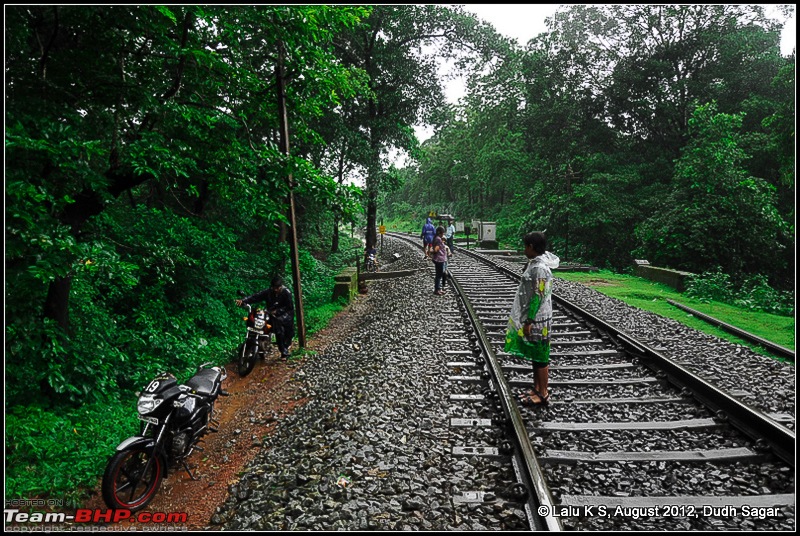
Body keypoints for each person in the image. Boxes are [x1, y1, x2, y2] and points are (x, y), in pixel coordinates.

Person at [504, 232, 560, 405]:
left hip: (538, 320)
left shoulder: (540, 269)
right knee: (536, 355)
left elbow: (538, 296)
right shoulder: (535, 264)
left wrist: (529, 321)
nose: (524, 249)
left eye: (525, 246)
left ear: (531, 247)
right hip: (536, 318)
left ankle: (543, 393)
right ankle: (536, 388)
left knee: (541, 357)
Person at [236, 276, 295, 359]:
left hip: (285, 315)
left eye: (277, 288)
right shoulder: (268, 292)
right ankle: (251, 346)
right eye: (274, 287)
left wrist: (277, 312)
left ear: (281, 287)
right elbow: (256, 296)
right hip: (270, 313)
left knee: (280, 330)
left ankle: (283, 351)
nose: (275, 290)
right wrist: (243, 300)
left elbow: (289, 307)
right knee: (257, 322)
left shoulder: (286, 293)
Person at [431, 226, 448, 295]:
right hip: (439, 259)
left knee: (439, 275)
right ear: (440, 233)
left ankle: (439, 288)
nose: (443, 234)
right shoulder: (438, 239)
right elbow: (436, 249)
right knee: (439, 275)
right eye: (442, 233)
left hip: (439, 258)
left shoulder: (437, 238)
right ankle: (437, 289)